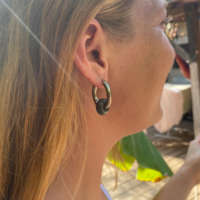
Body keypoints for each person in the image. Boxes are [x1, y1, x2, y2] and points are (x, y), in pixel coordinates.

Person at [0, 0, 200, 199]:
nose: (173, 54)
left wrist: (189, 172)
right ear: (94, 53)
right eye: (162, 24)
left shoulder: (63, 178)